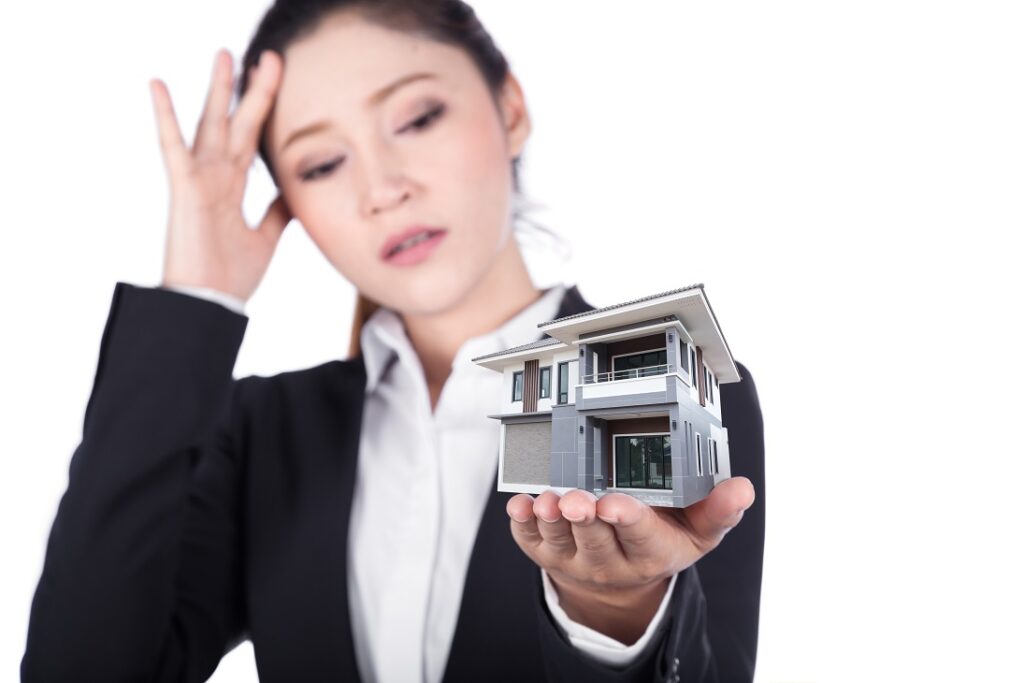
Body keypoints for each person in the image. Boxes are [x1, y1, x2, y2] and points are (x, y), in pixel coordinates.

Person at [21, 1, 765, 681]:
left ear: (510, 106)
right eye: (321, 163)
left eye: (416, 118)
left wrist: (615, 614)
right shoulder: (261, 435)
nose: (381, 187)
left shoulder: (659, 381)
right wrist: (195, 297)